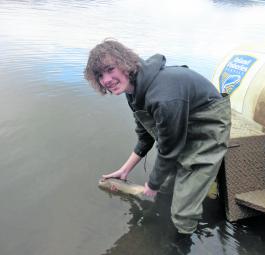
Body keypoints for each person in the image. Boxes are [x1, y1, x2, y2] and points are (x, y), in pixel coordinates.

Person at [84, 39, 231, 235]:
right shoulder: (132, 90)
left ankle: (182, 239)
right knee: (166, 190)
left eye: (110, 69)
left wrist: (153, 184)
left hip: (208, 125)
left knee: (181, 212)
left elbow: (169, 149)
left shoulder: (163, 96)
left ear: (125, 63)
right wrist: (124, 170)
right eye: (100, 75)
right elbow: (145, 136)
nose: (107, 80)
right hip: (180, 119)